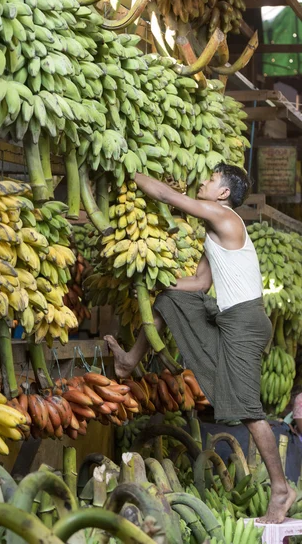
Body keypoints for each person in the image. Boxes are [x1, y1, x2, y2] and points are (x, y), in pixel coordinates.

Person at [105, 163, 296, 524]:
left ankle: (281, 488)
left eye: (210, 180)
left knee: (249, 410)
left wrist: (127, 169)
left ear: (223, 194)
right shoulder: (214, 231)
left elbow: (165, 195)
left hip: (244, 323)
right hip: (230, 318)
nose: (203, 183)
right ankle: (129, 361)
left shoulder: (223, 215)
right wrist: (155, 280)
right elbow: (199, 284)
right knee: (168, 300)